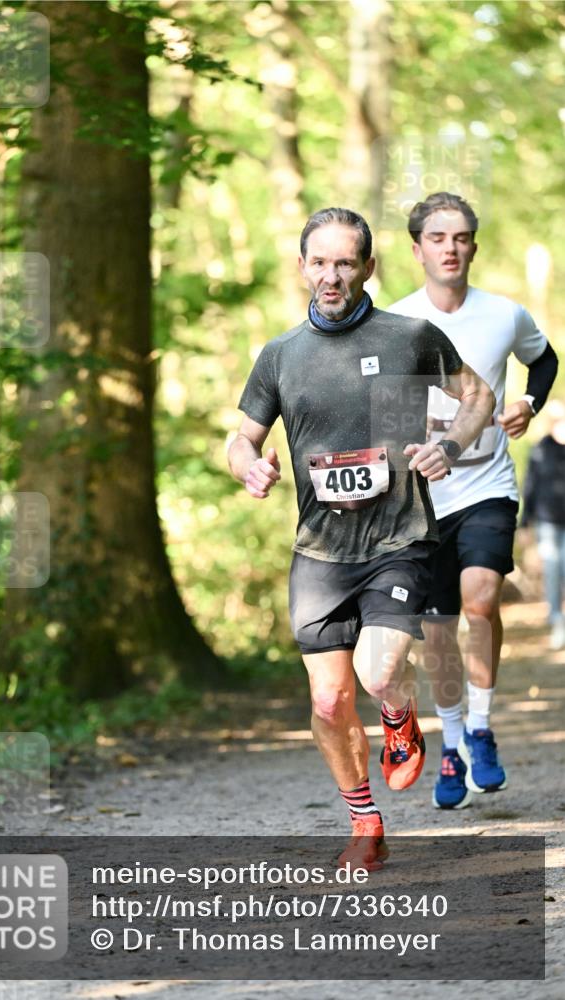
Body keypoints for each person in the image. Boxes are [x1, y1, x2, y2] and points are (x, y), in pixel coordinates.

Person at [228, 207, 494, 869]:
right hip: (318, 551)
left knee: (377, 673)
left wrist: (449, 444)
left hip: (399, 538)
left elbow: (477, 396)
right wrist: (247, 464)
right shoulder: (281, 355)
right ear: (301, 268)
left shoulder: (409, 338)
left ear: (368, 268)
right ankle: (364, 824)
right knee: (326, 698)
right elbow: (240, 437)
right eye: (318, 262)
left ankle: (400, 715)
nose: (331, 275)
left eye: (345, 262)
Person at [388, 192, 558, 810]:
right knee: (436, 628)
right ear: (417, 248)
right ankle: (454, 743)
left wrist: (528, 404)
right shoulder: (394, 320)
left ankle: (482, 727)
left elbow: (545, 362)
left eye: (460, 238)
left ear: (473, 247)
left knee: (481, 599)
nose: (450, 248)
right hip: (423, 497)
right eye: (437, 238)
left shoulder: (505, 314)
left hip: (487, 481)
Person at [521, 399, 565, 651]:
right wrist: (524, 524)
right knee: (552, 570)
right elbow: (531, 487)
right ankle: (557, 620)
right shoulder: (541, 449)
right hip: (547, 522)